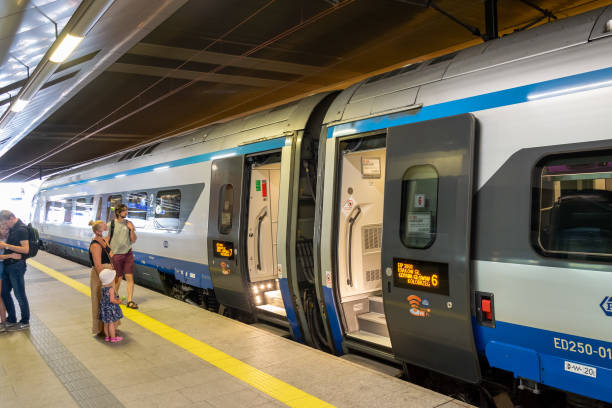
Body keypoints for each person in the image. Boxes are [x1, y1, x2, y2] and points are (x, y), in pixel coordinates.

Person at [0, 210, 30, 331]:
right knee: (4, 292)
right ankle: (12, 319)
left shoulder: (21, 230)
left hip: (16, 267)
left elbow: (26, 249)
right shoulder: (13, 228)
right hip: (8, 266)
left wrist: (6, 246)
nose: (6, 226)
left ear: (12, 218)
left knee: (19, 294)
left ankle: (25, 321)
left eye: (6, 223)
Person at [108, 204, 138, 309]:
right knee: (118, 278)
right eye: (124, 211)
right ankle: (115, 296)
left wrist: (132, 230)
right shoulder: (110, 225)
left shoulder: (129, 224)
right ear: (118, 212)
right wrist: (110, 252)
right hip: (116, 255)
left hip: (128, 254)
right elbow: (106, 240)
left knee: (129, 277)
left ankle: (130, 300)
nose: (126, 212)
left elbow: (133, 240)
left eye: (126, 210)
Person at [88, 220, 114, 335]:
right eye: (104, 225)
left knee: (108, 303)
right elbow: (98, 265)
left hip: (107, 275)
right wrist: (106, 283)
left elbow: (111, 254)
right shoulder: (95, 245)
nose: (106, 226)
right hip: (101, 277)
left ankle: (109, 329)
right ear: (99, 230)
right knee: (100, 302)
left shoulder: (103, 240)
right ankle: (101, 329)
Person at [98, 268, 123, 343]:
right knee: (111, 323)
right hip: (110, 309)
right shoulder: (111, 289)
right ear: (110, 280)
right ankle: (113, 338)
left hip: (104, 309)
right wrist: (118, 301)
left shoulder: (103, 288)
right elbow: (112, 300)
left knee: (106, 324)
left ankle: (107, 337)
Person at [0, 222, 10, 332]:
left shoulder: (7, 240)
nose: (4, 231)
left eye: (6, 229)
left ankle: (3, 322)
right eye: (2, 228)